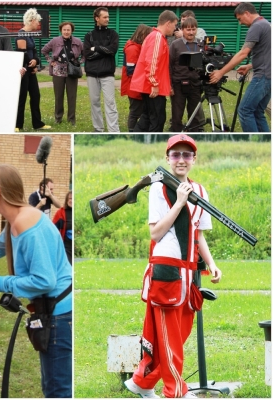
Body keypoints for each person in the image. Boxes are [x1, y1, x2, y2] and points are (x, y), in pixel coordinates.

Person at [0, 164, 72, 398]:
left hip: (60, 316)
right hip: (52, 315)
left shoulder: (26, 225)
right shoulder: (16, 220)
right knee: (52, 387)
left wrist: (0, 283)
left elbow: (45, 281)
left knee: (58, 391)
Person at [124, 134, 222, 399]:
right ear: (167, 158)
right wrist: (179, 202)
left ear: (193, 159)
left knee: (177, 334)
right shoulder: (159, 188)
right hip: (166, 270)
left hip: (189, 272)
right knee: (169, 338)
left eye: (186, 154)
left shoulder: (200, 191)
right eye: (176, 154)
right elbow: (155, 234)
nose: (181, 159)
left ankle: (141, 382)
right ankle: (175, 391)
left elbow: (198, 234)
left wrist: (211, 264)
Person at [209, 2, 271, 132]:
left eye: (239, 19)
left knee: (244, 110)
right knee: (258, 112)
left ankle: (252, 145)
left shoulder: (256, 26)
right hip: (268, 77)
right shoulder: (267, 25)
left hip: (262, 77)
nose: (240, 23)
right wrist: (250, 65)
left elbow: (243, 53)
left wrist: (221, 72)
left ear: (246, 13)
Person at [130, 10, 178, 132]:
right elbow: (151, 62)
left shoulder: (153, 36)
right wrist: (154, 84)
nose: (175, 29)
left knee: (147, 117)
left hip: (150, 86)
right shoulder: (157, 37)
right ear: (168, 23)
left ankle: (136, 140)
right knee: (157, 119)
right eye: (174, 25)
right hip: (153, 87)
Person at [84, 7, 120, 132]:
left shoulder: (113, 34)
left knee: (110, 103)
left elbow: (112, 50)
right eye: (105, 17)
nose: (107, 19)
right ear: (97, 18)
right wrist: (103, 50)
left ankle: (114, 130)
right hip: (92, 74)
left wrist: (96, 48)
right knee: (94, 102)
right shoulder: (89, 35)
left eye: (108, 17)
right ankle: (98, 129)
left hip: (107, 74)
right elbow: (87, 54)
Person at [15, 8, 51, 132]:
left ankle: (38, 123)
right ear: (31, 20)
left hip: (31, 71)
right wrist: (32, 63)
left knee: (35, 96)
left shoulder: (30, 35)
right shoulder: (21, 34)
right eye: (37, 22)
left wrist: (36, 62)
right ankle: (17, 125)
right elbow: (22, 53)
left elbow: (34, 51)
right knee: (22, 97)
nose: (38, 24)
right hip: (24, 70)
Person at [41, 22, 84, 126]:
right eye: (64, 29)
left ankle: (71, 119)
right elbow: (44, 50)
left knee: (72, 96)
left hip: (72, 72)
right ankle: (58, 118)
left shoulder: (78, 42)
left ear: (71, 31)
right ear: (61, 30)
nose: (66, 32)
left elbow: (85, 54)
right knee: (58, 96)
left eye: (68, 30)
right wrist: (50, 61)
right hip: (58, 71)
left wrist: (80, 62)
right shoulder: (55, 41)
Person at [170, 18, 204, 132]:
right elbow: (169, 65)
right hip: (178, 84)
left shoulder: (201, 44)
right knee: (177, 112)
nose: (191, 32)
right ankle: (176, 132)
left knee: (194, 111)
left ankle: (194, 131)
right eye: (188, 29)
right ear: (182, 30)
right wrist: (170, 85)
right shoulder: (175, 45)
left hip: (195, 84)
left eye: (193, 29)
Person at [121, 24, 152, 131]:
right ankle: (132, 130)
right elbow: (131, 70)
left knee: (139, 110)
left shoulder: (137, 46)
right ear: (143, 35)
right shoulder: (133, 48)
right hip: (133, 86)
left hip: (136, 85)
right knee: (135, 111)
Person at [53, 191, 72, 265]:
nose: (72, 201)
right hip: (65, 247)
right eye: (70, 198)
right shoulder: (60, 213)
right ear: (67, 200)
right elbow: (53, 229)